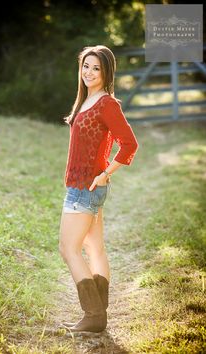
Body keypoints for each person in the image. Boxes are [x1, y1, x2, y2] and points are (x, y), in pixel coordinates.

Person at [58, 45, 139, 333]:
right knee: (94, 248)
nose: (89, 72)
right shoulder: (86, 100)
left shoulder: (107, 104)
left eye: (96, 68)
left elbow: (129, 144)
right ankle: (99, 313)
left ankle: (93, 315)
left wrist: (106, 174)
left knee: (68, 249)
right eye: (86, 66)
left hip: (86, 187)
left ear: (106, 72)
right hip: (84, 185)